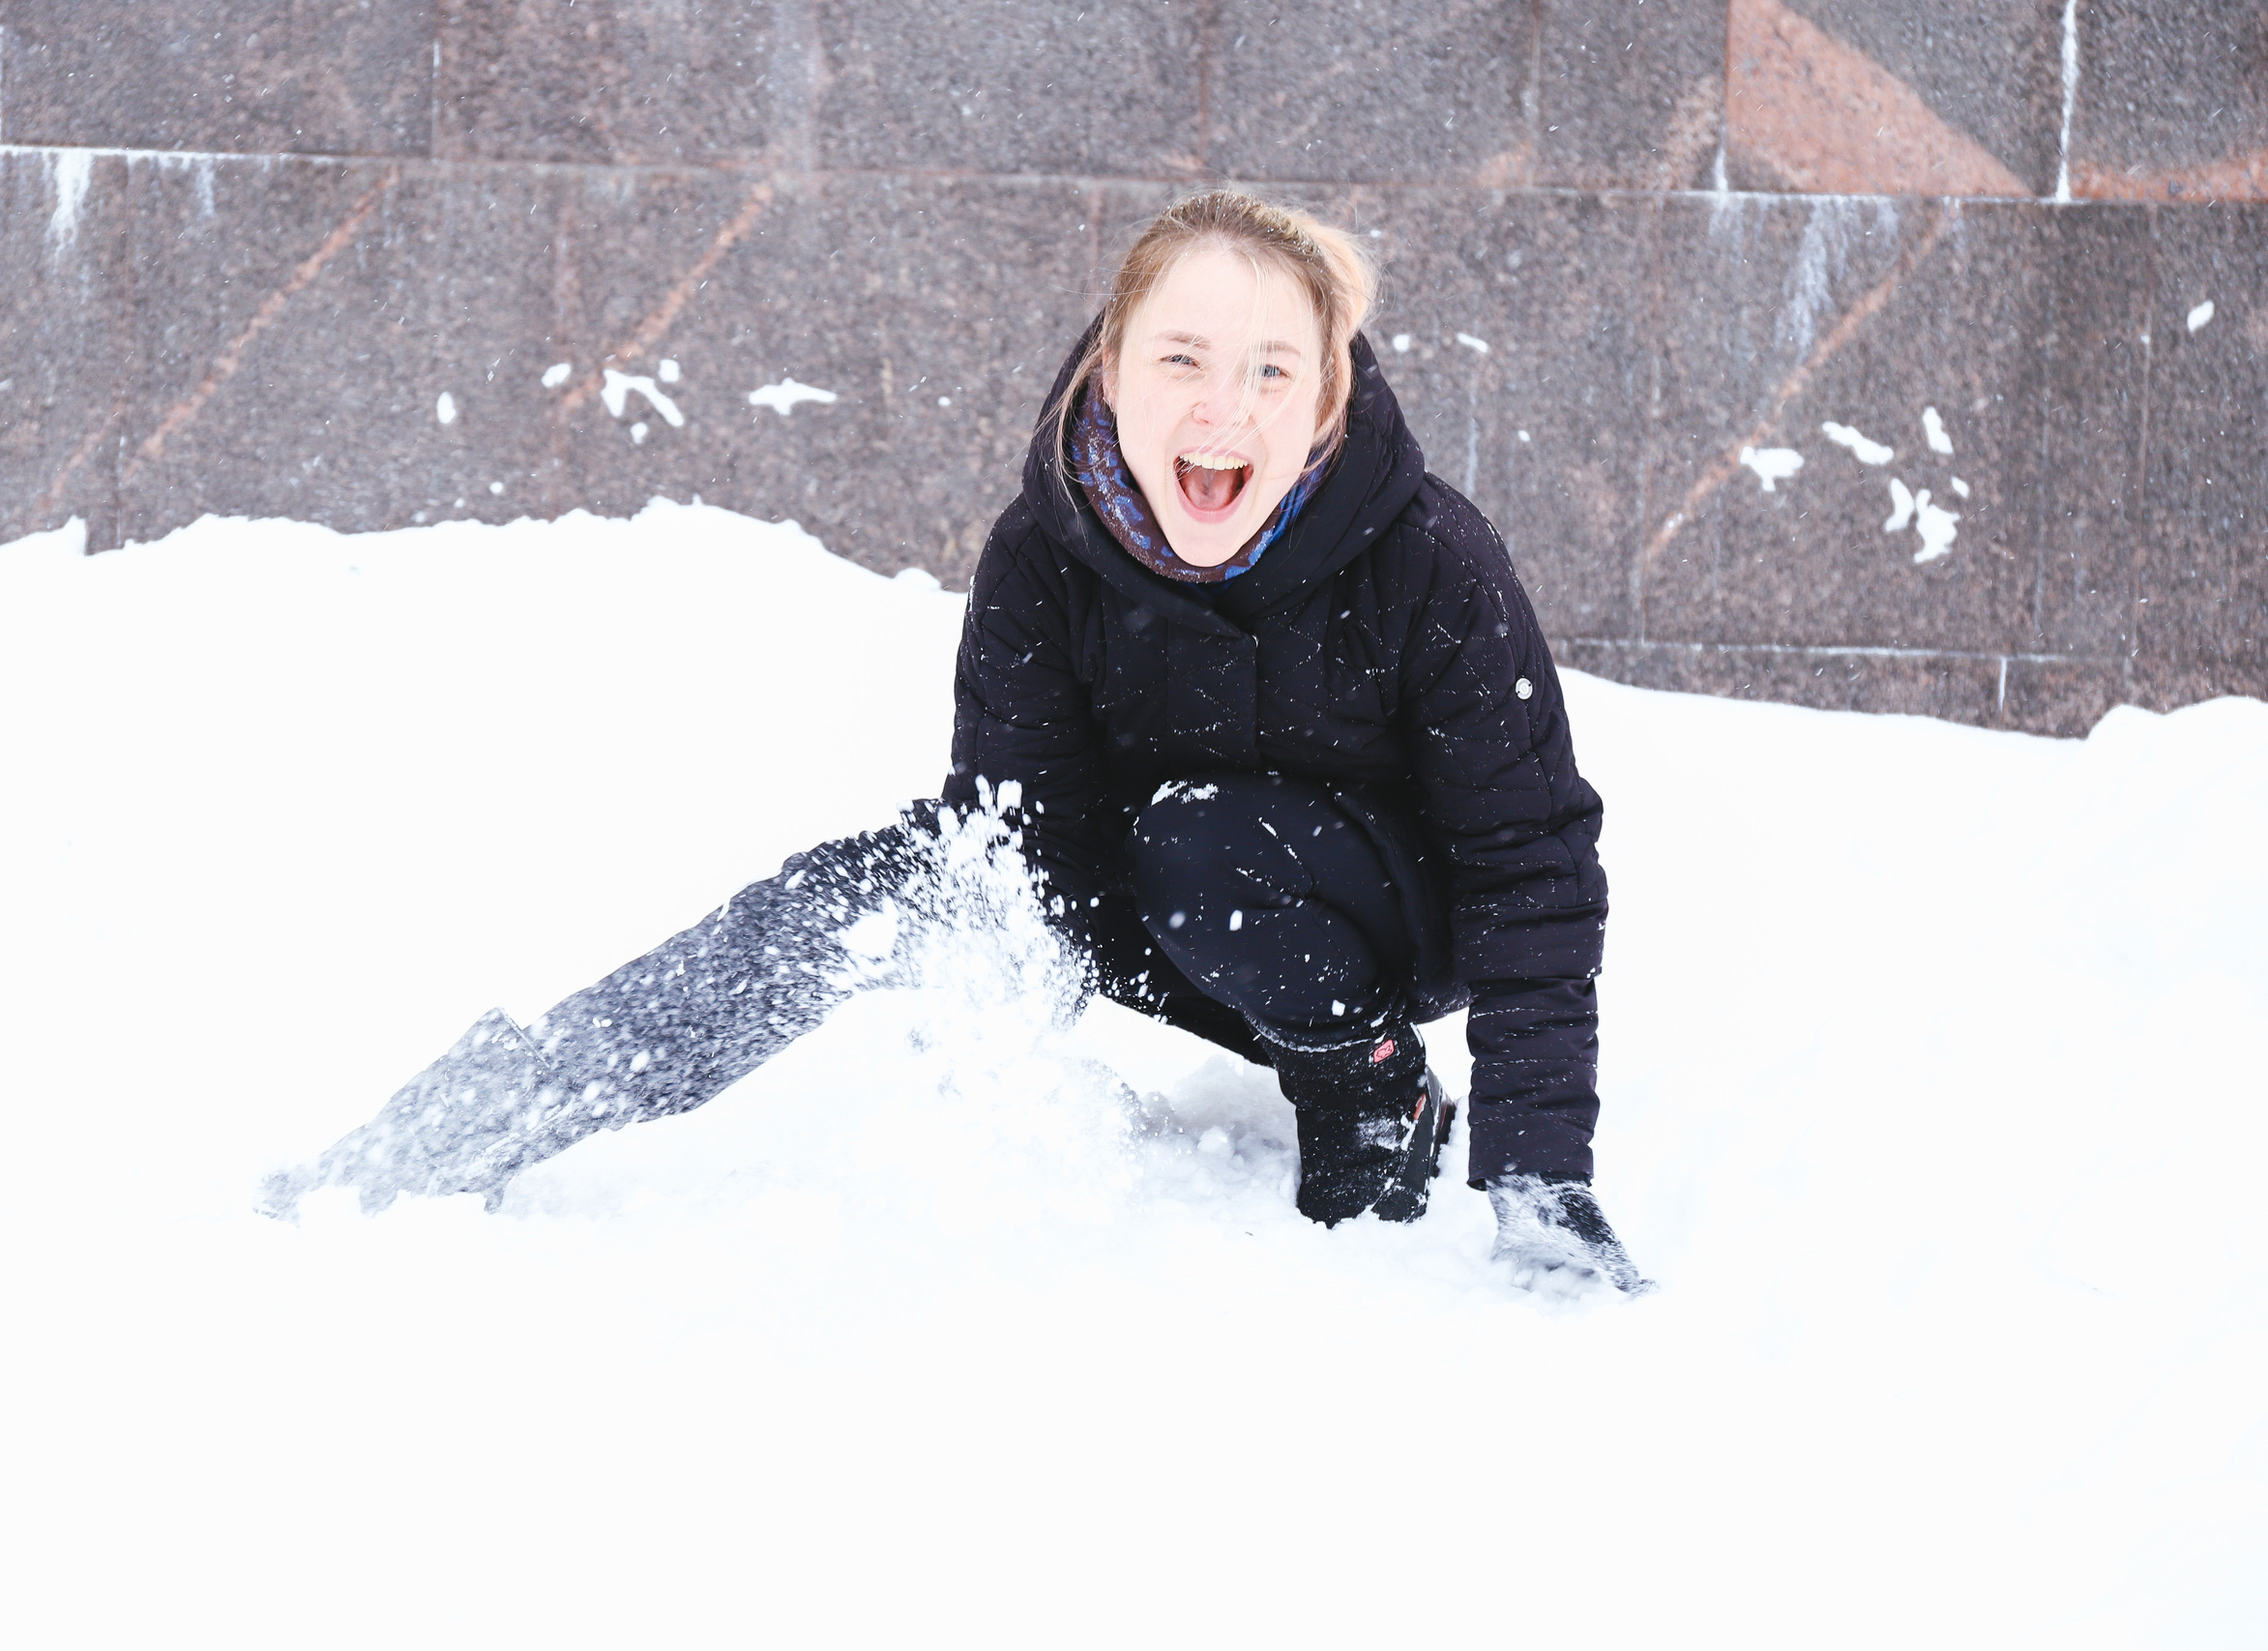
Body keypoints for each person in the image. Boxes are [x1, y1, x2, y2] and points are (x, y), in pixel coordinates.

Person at [259, 190, 1644, 1294]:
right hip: (1172, 887)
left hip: (1393, 911)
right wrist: (982, 1068)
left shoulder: (1429, 558)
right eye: (1183, 358)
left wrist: (1541, 1177)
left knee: (1204, 839)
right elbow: (1009, 842)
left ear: (1329, 397)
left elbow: (1529, 864)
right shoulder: (1045, 558)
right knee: (885, 885)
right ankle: (514, 1101)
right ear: (1111, 373)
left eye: (1276, 368)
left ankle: (1369, 1085)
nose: (1228, 405)